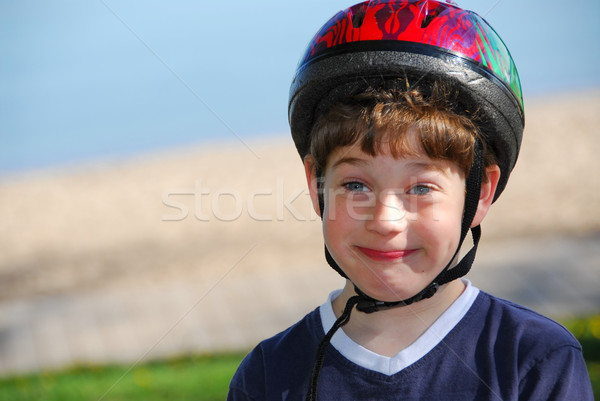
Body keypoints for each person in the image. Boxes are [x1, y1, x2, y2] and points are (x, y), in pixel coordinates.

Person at [227, 1, 594, 400]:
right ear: (317, 186)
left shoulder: (532, 359)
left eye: (420, 188)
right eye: (355, 186)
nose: (386, 221)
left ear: (480, 194)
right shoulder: (267, 376)